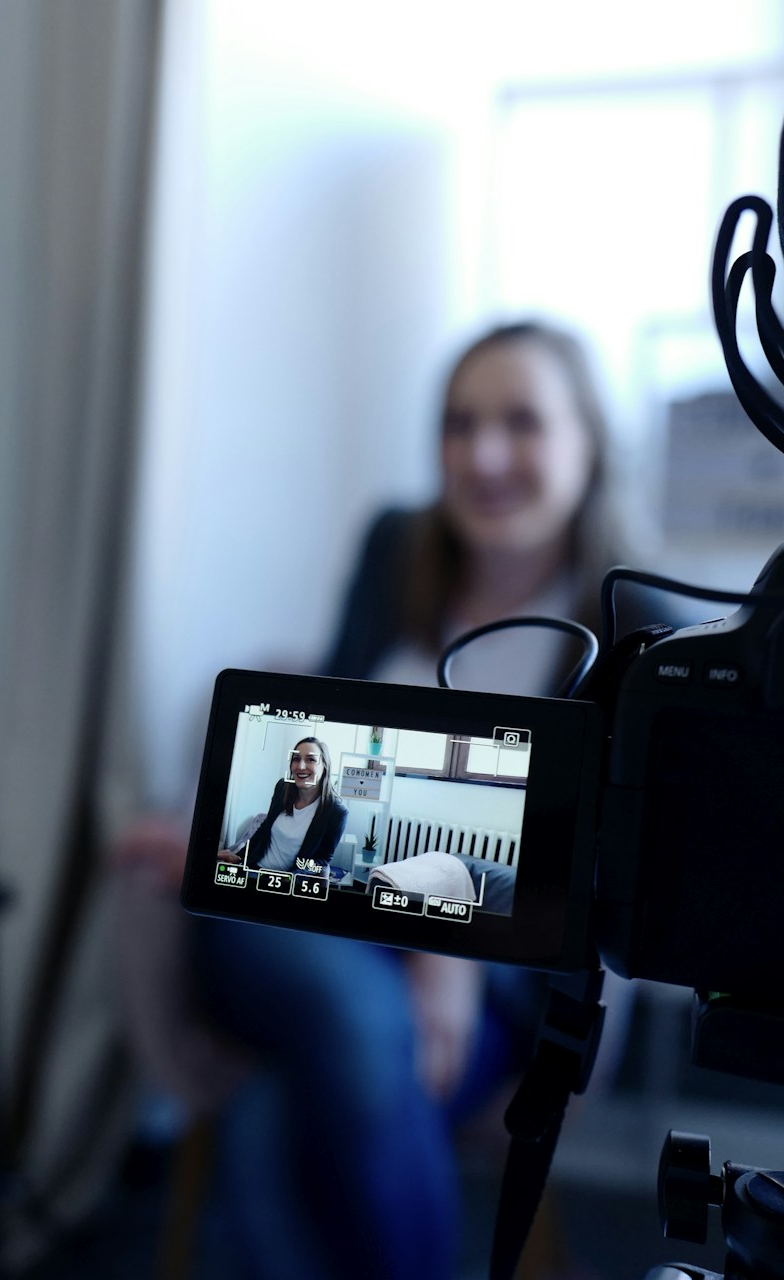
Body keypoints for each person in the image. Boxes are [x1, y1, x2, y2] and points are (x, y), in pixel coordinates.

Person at [189, 320, 632, 1280]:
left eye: (521, 422)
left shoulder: (637, 626)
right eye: (458, 424)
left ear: (587, 443)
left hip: (496, 988)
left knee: (281, 1115)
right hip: (300, 920)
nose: (483, 454)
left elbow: (619, 884)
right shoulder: (397, 548)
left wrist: (455, 943)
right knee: (352, 1018)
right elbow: (315, 746)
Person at [216, 737, 349, 873]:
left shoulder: (336, 811)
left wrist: (290, 879)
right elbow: (264, 829)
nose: (301, 766)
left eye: (311, 759)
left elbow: (322, 859)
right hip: (254, 868)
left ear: (325, 766)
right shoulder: (282, 788)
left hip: (287, 880)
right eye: (296, 759)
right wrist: (239, 857)